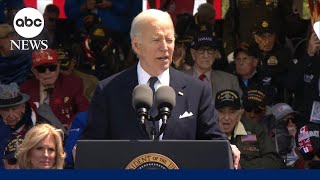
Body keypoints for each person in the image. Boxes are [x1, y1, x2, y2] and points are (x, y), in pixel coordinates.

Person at [83, 9, 240, 168]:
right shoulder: (109, 90)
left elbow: (213, 142)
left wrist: (226, 149)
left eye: (169, 39)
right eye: (156, 39)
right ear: (137, 45)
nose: (165, 47)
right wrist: (82, 151)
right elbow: (91, 146)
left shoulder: (197, 91)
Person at [20, 49, 89, 130]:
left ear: (58, 68)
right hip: (36, 135)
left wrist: (72, 127)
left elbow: (84, 111)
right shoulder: (26, 88)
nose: (47, 72)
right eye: (41, 69)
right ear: (34, 72)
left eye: (52, 68)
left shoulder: (72, 84)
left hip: (65, 133)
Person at [215, 89, 284, 169]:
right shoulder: (206, 132)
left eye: (232, 112)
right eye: (221, 112)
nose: (226, 117)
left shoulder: (255, 129)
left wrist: (241, 166)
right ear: (213, 112)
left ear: (240, 113)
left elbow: (274, 161)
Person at [184, 32, 242, 99]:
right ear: (193, 54)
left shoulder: (230, 81)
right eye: (201, 50)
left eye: (210, 50)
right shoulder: (178, 80)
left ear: (215, 54)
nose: (206, 55)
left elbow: (239, 108)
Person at [0, 83, 36, 169]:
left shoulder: (41, 120)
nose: (11, 115)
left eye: (15, 109)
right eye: (5, 110)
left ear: (23, 107)